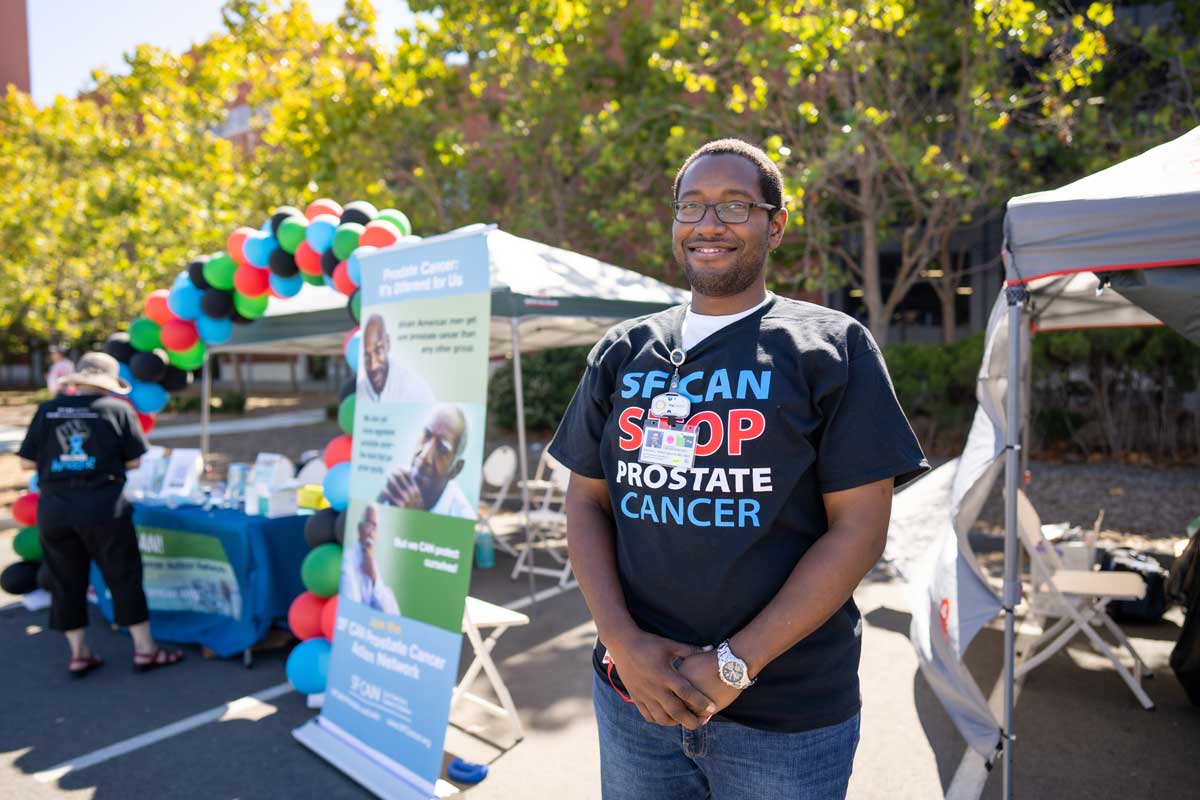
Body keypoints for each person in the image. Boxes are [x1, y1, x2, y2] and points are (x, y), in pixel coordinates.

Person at [547, 139, 929, 799]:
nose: (708, 224)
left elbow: (859, 528)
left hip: (785, 717)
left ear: (774, 224)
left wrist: (734, 665)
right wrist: (623, 644)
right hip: (635, 701)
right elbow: (585, 503)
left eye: (734, 206)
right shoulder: (625, 350)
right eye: (691, 207)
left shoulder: (830, 347)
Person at [17, 352, 184, 677]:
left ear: (78, 380)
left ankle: (79, 653)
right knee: (123, 575)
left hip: (55, 508)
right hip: (103, 506)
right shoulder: (118, 410)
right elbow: (135, 461)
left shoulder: (48, 410)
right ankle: (145, 650)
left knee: (66, 582)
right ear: (107, 384)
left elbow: (26, 462)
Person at [377, 404, 474, 520]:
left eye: (442, 449)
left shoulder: (463, 517)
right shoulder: (397, 484)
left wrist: (417, 518)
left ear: (455, 470)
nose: (424, 456)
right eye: (426, 435)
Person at [357, 313, 434, 403]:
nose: (373, 365)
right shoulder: (360, 390)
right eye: (367, 356)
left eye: (378, 351)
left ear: (388, 343)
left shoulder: (415, 389)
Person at [341, 504, 400, 614]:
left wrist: (374, 577)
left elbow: (392, 611)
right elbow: (352, 608)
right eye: (368, 525)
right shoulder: (347, 558)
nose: (371, 532)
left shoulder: (374, 561)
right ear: (359, 528)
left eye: (375, 527)